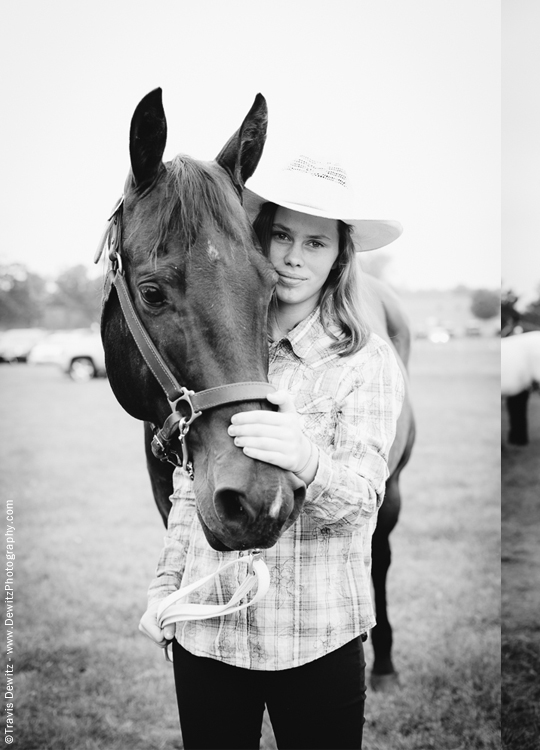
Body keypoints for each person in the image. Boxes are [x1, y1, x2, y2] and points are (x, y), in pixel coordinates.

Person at [138, 153, 405, 750]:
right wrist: (164, 589)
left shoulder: (365, 363)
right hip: (210, 633)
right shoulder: (223, 352)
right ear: (257, 239)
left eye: (316, 243)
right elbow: (189, 485)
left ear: (340, 257)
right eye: (281, 235)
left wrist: (306, 460)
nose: (292, 257)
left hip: (316, 637)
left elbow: (365, 506)